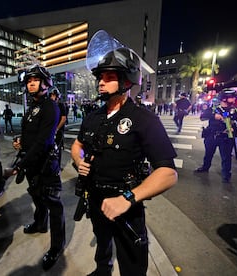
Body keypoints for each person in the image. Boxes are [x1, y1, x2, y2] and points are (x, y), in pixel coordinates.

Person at [71, 30, 177, 276]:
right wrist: (78, 160)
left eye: (108, 77)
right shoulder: (92, 117)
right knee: (102, 246)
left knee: (132, 262)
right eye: (100, 77)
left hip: (127, 204)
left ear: (127, 80)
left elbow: (168, 173)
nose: (100, 82)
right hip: (96, 199)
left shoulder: (144, 119)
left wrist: (128, 199)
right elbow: (77, 145)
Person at [11, 64, 66, 271]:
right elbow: (29, 134)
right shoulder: (32, 106)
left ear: (45, 83)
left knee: (54, 205)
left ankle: (57, 246)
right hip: (31, 163)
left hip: (45, 164)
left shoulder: (50, 107)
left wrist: (19, 166)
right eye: (28, 81)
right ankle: (40, 223)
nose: (31, 83)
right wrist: (20, 142)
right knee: (36, 195)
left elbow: (44, 141)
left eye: (35, 80)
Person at [194, 89, 237, 183]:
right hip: (212, 135)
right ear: (224, 99)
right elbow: (202, 117)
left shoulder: (236, 110)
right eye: (231, 97)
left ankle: (226, 175)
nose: (234, 99)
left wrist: (235, 128)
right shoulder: (214, 109)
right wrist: (214, 116)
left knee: (226, 157)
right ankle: (205, 167)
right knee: (208, 154)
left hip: (226, 137)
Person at [48, 86, 67, 169]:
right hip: (50, 130)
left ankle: (57, 167)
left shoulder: (61, 105)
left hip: (58, 131)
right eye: (51, 95)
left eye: (54, 95)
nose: (52, 97)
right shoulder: (49, 105)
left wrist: (57, 129)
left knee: (57, 150)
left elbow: (63, 119)